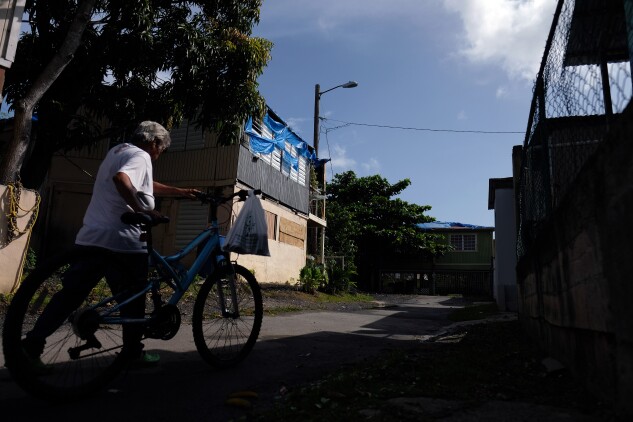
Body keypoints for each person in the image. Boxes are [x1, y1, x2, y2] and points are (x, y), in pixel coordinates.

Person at [22, 121, 199, 367]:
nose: (159, 155)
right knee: (134, 298)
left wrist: (179, 191)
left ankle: (31, 346)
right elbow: (122, 179)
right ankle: (132, 353)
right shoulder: (141, 156)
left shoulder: (118, 151)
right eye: (162, 149)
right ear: (154, 142)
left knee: (70, 295)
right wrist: (141, 211)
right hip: (122, 241)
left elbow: (141, 185)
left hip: (92, 237)